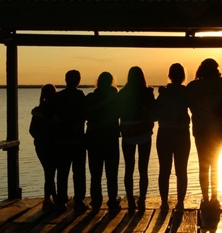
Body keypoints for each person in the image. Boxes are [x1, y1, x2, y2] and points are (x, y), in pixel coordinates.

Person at [186, 58, 222, 205]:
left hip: (201, 129)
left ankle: (205, 197)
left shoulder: (193, 86)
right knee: (215, 164)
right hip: (218, 130)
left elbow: (189, 104)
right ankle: (214, 196)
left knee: (203, 165)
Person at [118, 66, 155, 211]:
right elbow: (152, 110)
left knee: (129, 168)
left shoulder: (123, 93)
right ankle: (142, 200)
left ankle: (131, 201)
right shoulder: (147, 92)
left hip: (128, 133)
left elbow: (118, 111)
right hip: (144, 132)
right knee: (143, 169)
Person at [154, 63, 190, 210]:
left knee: (164, 169)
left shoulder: (164, 93)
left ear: (169, 75)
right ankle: (180, 201)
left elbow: (155, 115)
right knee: (181, 170)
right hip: (182, 133)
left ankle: (164, 202)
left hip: (165, 133)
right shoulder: (186, 92)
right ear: (182, 76)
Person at [50, 69, 87, 211]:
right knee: (78, 172)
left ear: (66, 80)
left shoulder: (58, 97)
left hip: (62, 142)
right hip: (76, 141)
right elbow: (84, 114)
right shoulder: (79, 95)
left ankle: (61, 200)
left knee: (62, 172)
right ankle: (79, 200)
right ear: (77, 80)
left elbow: (51, 116)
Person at [85, 72, 120, 210]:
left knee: (95, 172)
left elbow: (86, 114)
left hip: (93, 137)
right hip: (110, 137)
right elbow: (119, 114)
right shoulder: (115, 98)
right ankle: (112, 200)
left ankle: (96, 200)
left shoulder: (91, 97)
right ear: (111, 82)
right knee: (112, 172)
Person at [29, 84, 58, 209]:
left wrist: (39, 138)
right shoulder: (56, 109)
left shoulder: (38, 110)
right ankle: (48, 198)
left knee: (48, 171)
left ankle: (53, 197)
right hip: (53, 144)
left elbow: (31, 130)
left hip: (40, 145)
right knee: (50, 171)